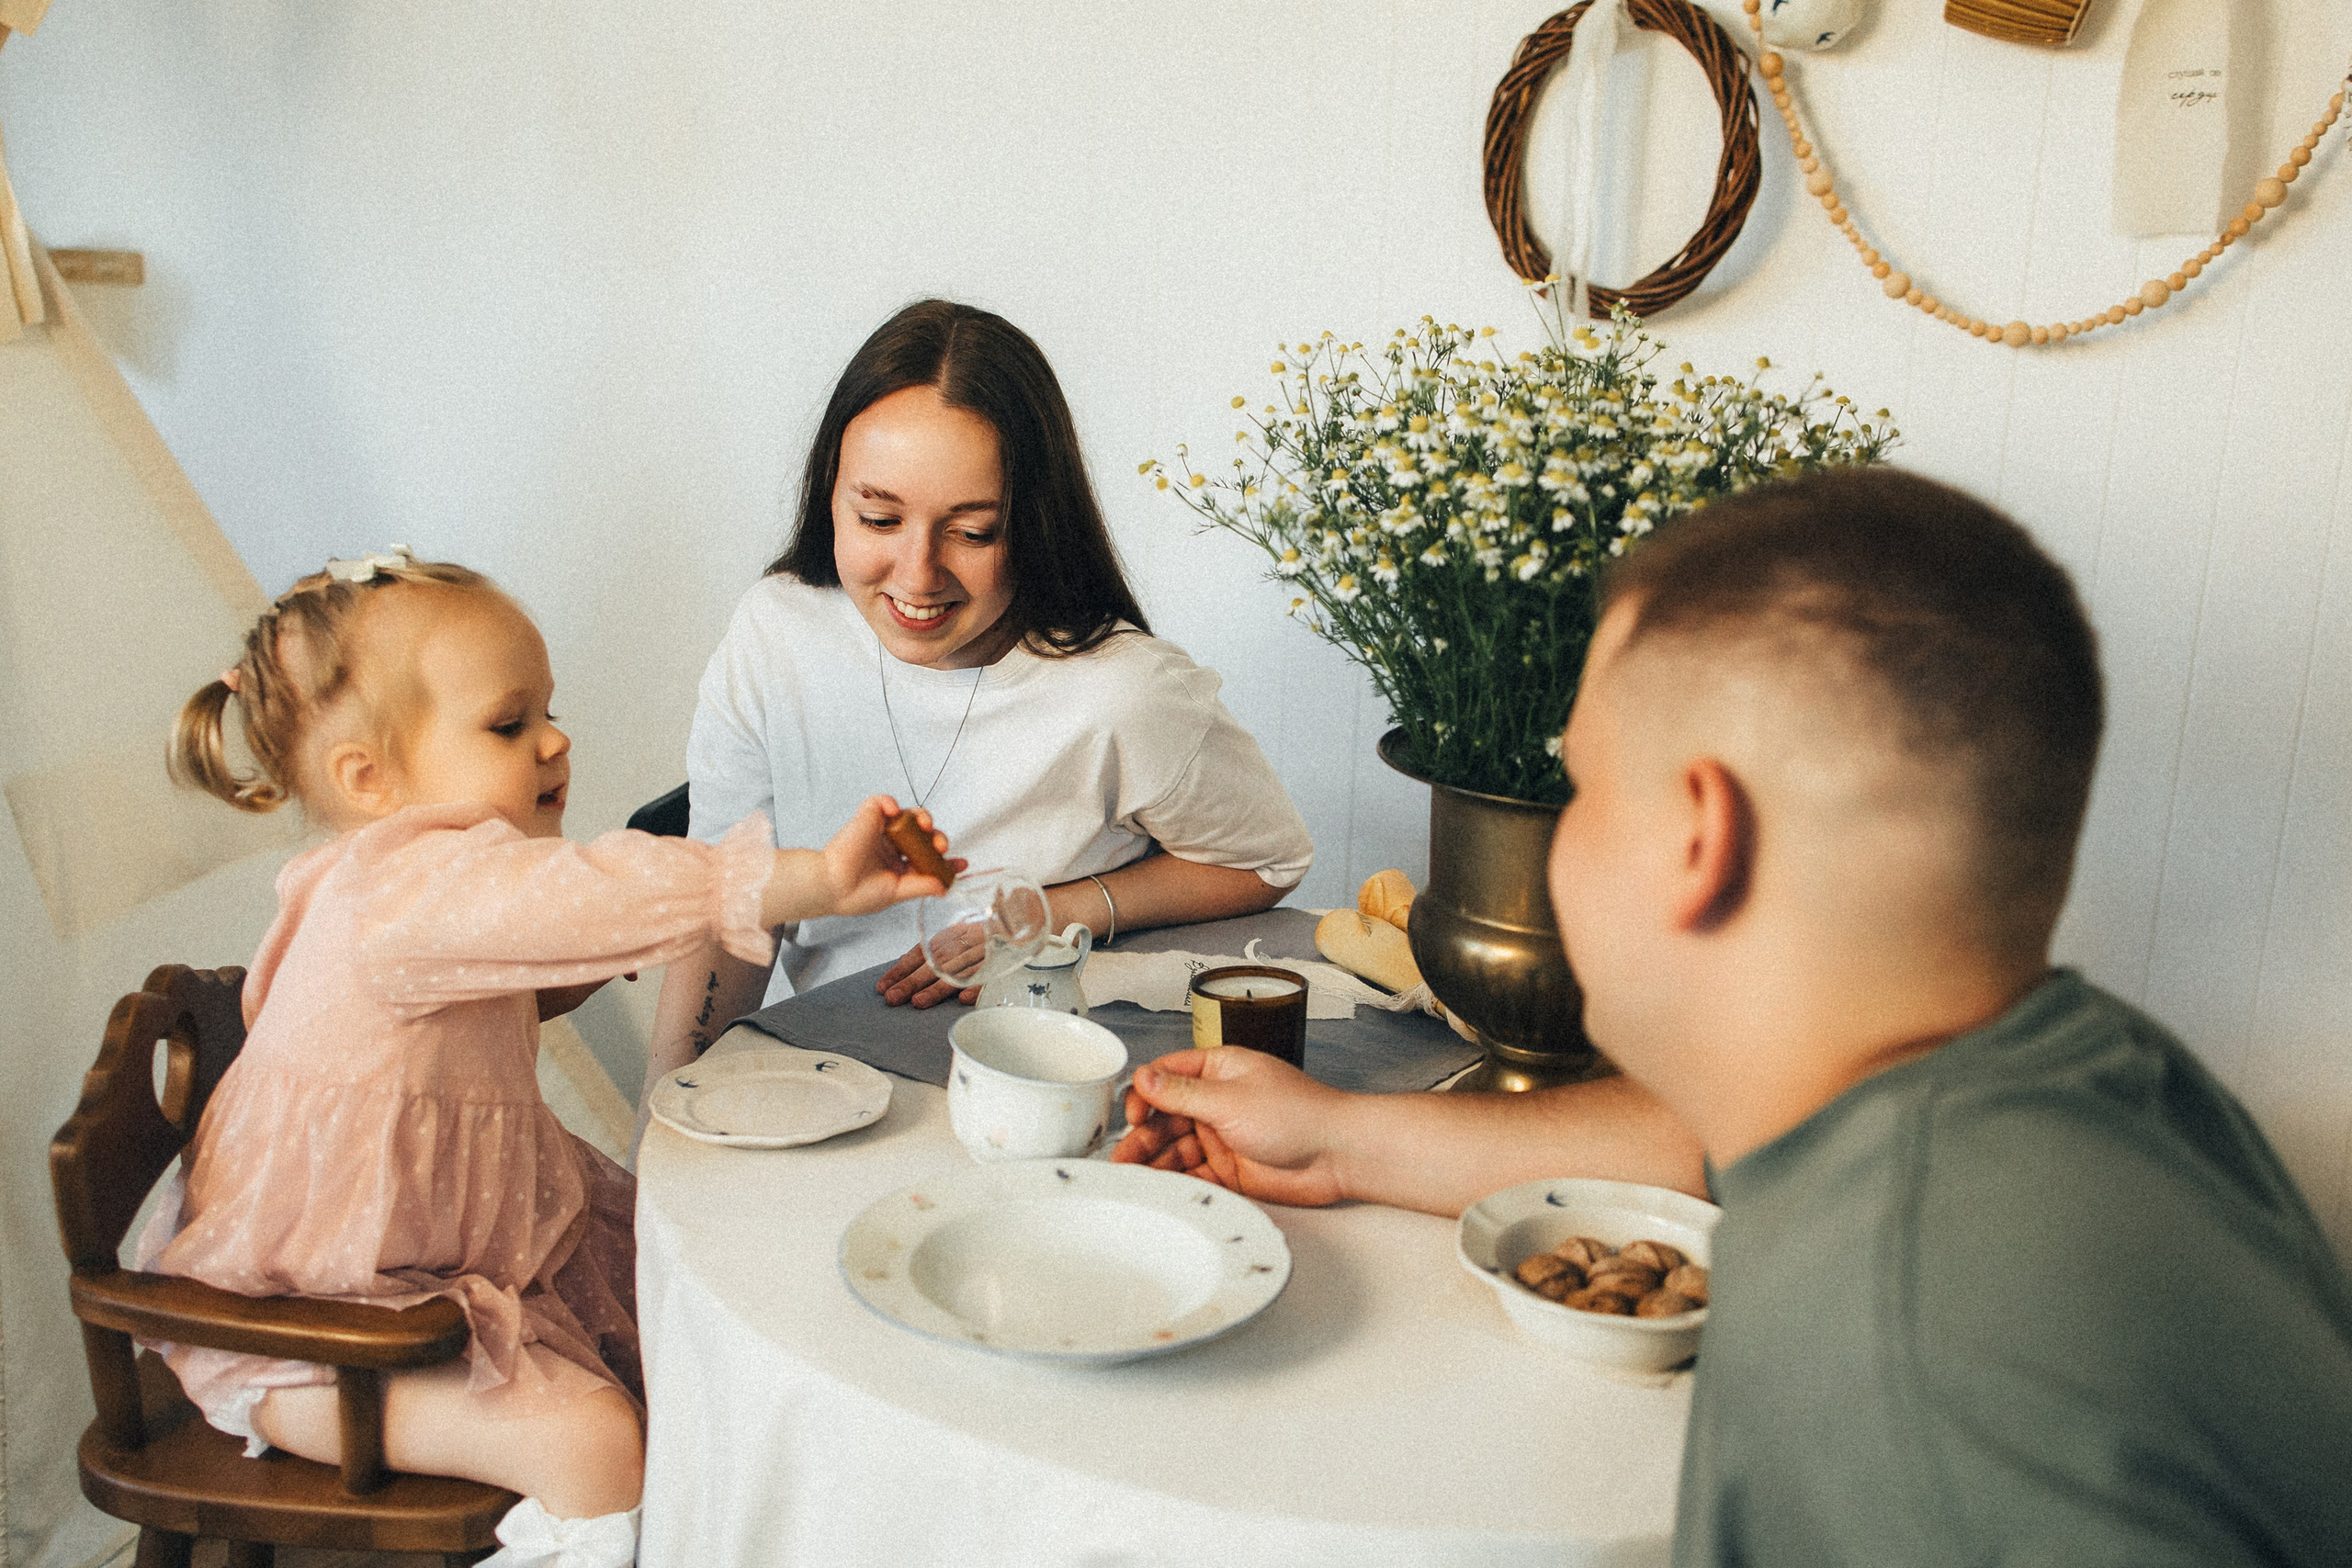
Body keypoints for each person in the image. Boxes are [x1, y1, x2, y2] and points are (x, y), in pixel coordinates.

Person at [1115, 468, 2352, 1564]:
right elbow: (1694, 1143)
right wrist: (1336, 1135)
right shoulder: (2094, 1082)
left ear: (1701, 833)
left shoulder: (1904, 1347)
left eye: (1585, 786)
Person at [151, 549, 951, 1568]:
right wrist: (817, 880)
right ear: (370, 776)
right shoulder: (408, 893)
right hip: (316, 1338)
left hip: (422, 1257)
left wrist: (570, 971)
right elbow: (590, 891)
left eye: (546, 712)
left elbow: (514, 962)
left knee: (694, 1303)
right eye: (507, 725)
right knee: (596, 1444)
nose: (554, 740)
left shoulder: (404, 884)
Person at [650, 299, 1314, 1089]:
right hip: (828, 1078)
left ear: (1035, 524)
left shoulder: (1121, 692)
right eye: (879, 517)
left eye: (972, 533)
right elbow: (731, 907)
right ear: (831, 493)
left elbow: (1267, 859)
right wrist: (660, 1124)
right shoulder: (776, 634)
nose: (917, 574)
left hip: (1049, 1075)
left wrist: (1052, 912)